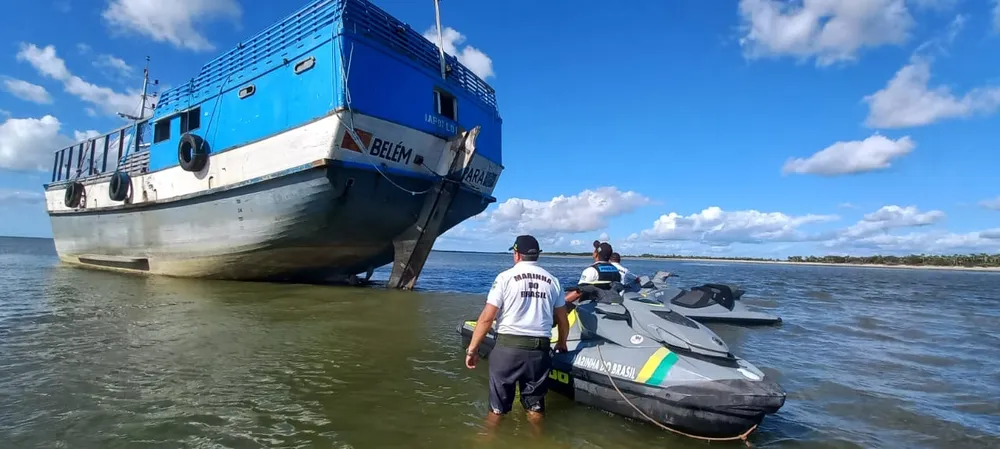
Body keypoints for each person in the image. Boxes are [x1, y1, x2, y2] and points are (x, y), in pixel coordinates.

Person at [465, 234, 569, 430]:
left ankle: (487, 441)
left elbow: (487, 318)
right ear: (538, 255)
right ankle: (538, 441)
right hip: (539, 351)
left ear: (516, 254)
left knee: (497, 409)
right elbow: (563, 321)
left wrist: (472, 349)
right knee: (535, 406)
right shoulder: (553, 281)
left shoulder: (505, 278)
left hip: (508, 349)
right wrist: (562, 342)